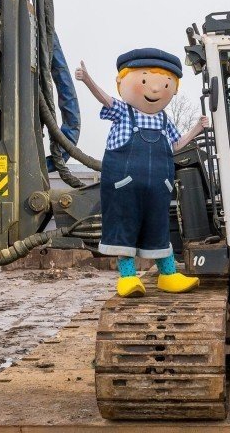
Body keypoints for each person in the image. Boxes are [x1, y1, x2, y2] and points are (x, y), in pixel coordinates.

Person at [75, 48, 209, 298]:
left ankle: (168, 275)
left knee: (158, 229)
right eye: (146, 81)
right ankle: (128, 278)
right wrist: (87, 79)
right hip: (124, 187)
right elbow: (104, 99)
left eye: (165, 83)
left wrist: (197, 129)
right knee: (125, 229)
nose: (156, 89)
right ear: (123, 81)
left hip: (158, 187)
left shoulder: (163, 120)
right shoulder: (123, 112)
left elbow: (177, 145)